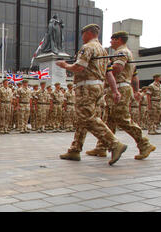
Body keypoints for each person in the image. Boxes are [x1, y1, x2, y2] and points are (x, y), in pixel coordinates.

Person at [56, 24, 128, 166]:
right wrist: (115, 91)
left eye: (83, 34)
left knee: (87, 118)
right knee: (84, 118)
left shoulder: (87, 47)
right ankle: (75, 149)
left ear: (88, 33)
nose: (82, 38)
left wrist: (65, 65)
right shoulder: (103, 50)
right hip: (99, 87)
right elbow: (109, 74)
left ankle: (114, 144)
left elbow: (79, 67)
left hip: (87, 87)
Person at [86, 31, 155, 161]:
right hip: (122, 87)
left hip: (119, 88)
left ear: (118, 40)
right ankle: (102, 147)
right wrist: (136, 90)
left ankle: (144, 143)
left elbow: (117, 68)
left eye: (112, 40)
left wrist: (103, 68)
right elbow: (135, 76)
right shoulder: (128, 53)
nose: (110, 42)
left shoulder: (120, 52)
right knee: (109, 119)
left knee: (122, 119)